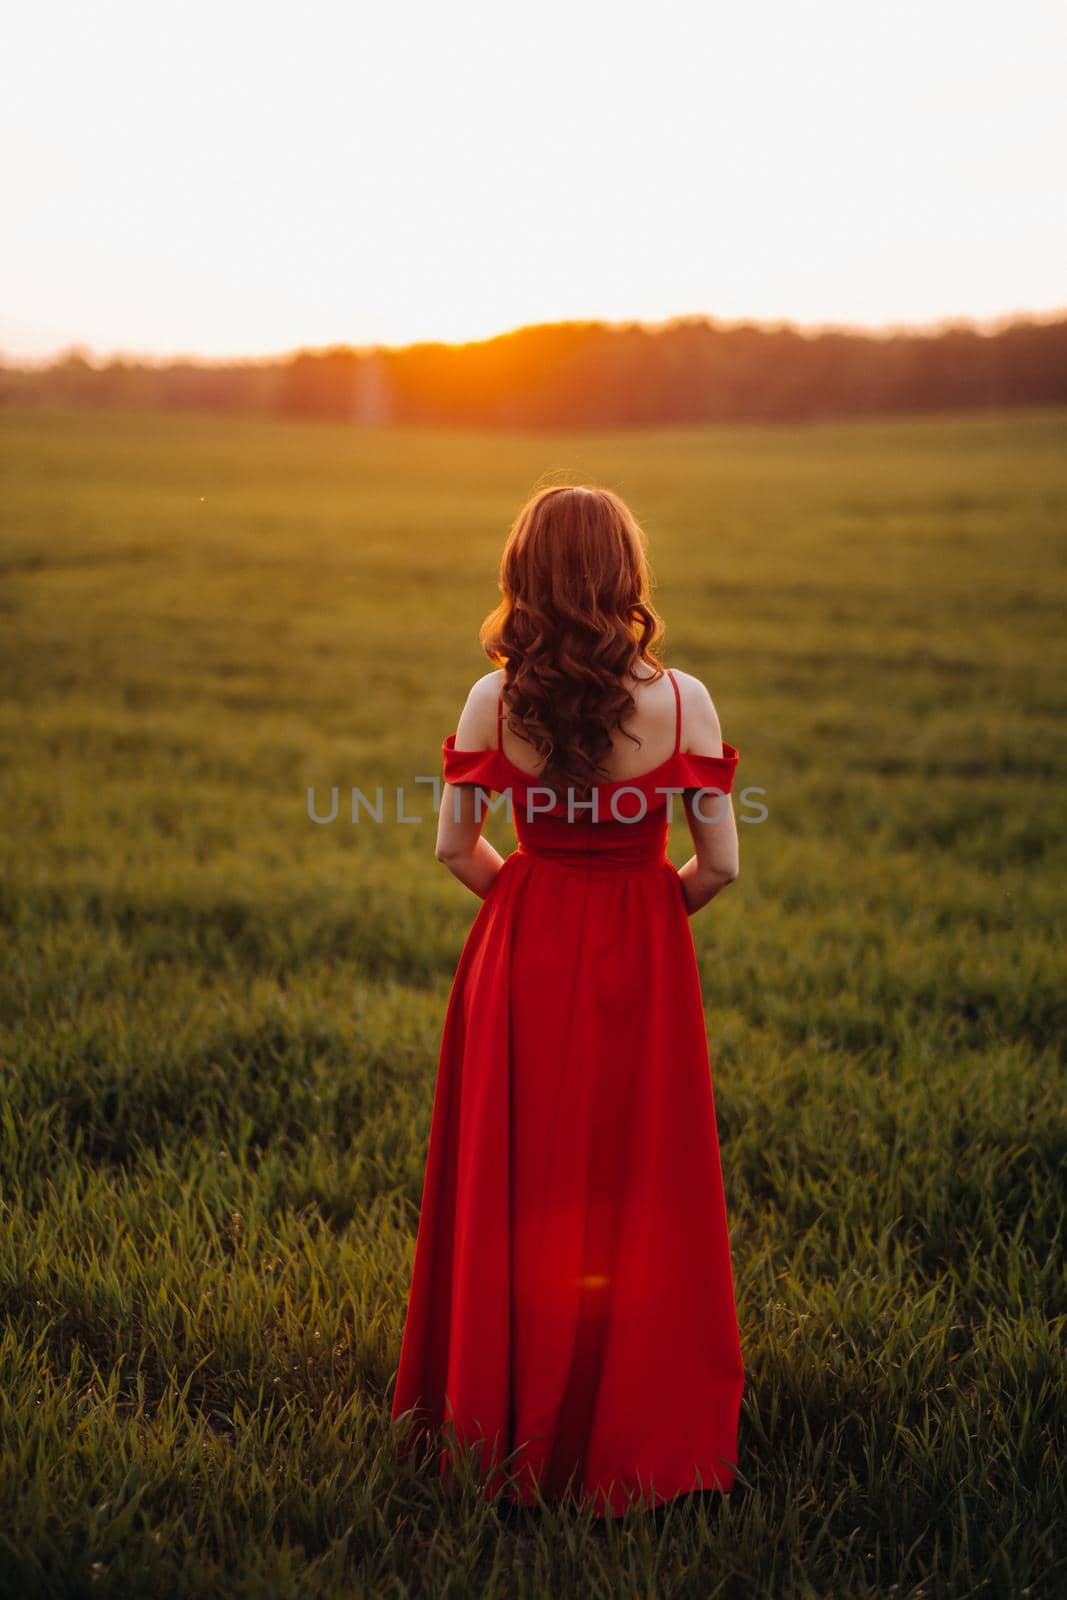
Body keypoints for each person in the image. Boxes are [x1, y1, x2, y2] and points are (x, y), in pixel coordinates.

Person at [391, 484, 745, 1517]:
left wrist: (534, 905)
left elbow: (455, 848)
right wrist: (640, 914)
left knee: (518, 1179)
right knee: (634, 1182)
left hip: (520, 946)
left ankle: (495, 1431)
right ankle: (629, 1440)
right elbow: (717, 865)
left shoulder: (488, 701)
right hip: (643, 952)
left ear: (525, 578)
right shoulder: (683, 702)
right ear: (624, 578)